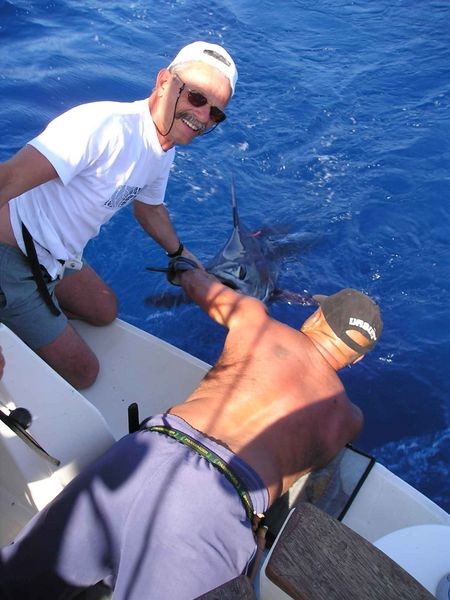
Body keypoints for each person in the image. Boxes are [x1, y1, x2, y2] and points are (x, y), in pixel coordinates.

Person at [0, 261, 382, 600]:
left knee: (15, 583)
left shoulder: (258, 323)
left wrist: (184, 269)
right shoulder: (348, 420)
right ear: (357, 358)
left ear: (316, 317)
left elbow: (199, 285)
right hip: (216, 508)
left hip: (140, 457)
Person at [0, 41, 237, 389]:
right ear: (163, 82)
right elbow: (5, 181)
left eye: (215, 113)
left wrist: (179, 253)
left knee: (105, 310)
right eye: (197, 98)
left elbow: (149, 207)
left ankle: (30, 317)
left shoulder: (163, 147)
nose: (202, 117)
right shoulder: (103, 127)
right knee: (85, 373)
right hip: (11, 258)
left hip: (55, 258)